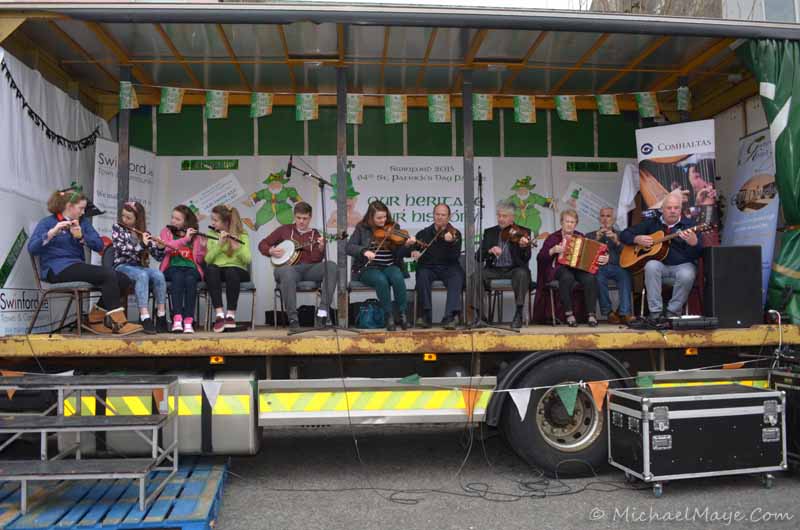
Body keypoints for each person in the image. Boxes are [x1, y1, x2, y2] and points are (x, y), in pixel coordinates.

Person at [28, 188, 142, 335]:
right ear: (69, 206)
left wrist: (82, 237)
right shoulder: (48, 223)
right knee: (107, 274)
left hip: (76, 266)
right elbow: (32, 249)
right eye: (81, 208)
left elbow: (100, 245)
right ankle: (119, 323)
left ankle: (95, 317)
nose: (83, 212)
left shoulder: (83, 223)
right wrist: (51, 233)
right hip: (56, 270)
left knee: (124, 279)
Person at [620, 192, 703, 320]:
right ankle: (655, 313)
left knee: (688, 273)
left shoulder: (690, 226)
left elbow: (698, 254)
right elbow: (624, 234)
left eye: (676, 208)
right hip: (660, 268)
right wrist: (636, 238)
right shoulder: (652, 223)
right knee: (651, 265)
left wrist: (694, 243)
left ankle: (673, 312)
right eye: (669, 208)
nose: (673, 211)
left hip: (682, 267)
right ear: (662, 210)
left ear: (681, 210)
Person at [259, 202, 336, 331]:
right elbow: (263, 244)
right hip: (287, 269)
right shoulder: (284, 230)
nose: (301, 221)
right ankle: (293, 319)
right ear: (294, 216)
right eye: (299, 218)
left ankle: (322, 313)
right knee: (287, 272)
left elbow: (316, 259)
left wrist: (321, 248)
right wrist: (271, 250)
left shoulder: (315, 234)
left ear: (310, 218)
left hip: (309, 269)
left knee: (332, 266)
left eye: (305, 218)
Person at [346, 200, 416, 331]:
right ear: (371, 217)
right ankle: (388, 315)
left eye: (384, 217)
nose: (383, 220)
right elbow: (349, 247)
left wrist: (407, 245)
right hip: (368, 268)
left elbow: (401, 253)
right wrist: (364, 251)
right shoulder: (362, 228)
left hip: (390, 265)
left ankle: (402, 315)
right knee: (381, 280)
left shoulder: (393, 227)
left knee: (397, 277)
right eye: (379, 218)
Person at [538, 209, 607, 327]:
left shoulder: (580, 236)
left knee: (590, 278)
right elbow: (540, 257)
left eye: (572, 222)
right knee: (567, 277)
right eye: (567, 221)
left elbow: (591, 256)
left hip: (578, 268)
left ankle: (591, 314)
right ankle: (569, 314)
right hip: (560, 268)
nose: (569, 224)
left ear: (576, 224)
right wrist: (553, 250)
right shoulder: (553, 237)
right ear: (561, 222)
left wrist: (604, 258)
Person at [111, 201, 169, 334]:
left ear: (138, 219)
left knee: (159, 275)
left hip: (139, 267)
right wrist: (142, 245)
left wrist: (160, 247)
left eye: (128, 218)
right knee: (142, 276)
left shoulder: (144, 232)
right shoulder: (117, 228)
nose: (124, 220)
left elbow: (158, 257)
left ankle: (161, 315)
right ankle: (144, 317)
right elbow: (123, 251)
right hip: (122, 266)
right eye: (123, 216)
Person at [474, 201, 532, 329]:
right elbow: (478, 256)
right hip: (494, 269)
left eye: (504, 216)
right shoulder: (490, 232)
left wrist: (524, 247)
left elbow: (526, 258)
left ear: (512, 217)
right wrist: (490, 251)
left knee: (522, 273)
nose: (500, 219)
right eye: (499, 215)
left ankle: (518, 313)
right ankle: (480, 315)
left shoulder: (523, 232)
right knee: (476, 275)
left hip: (514, 269)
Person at [411, 204, 464, 330]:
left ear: (449, 217)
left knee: (456, 277)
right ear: (433, 215)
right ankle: (425, 315)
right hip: (429, 267)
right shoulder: (424, 233)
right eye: (437, 214)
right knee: (422, 274)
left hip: (449, 267)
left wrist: (449, 243)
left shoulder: (455, 233)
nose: (440, 217)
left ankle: (450, 316)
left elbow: (455, 256)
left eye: (443, 215)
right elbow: (415, 250)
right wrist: (414, 252)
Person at [158, 205, 207, 333]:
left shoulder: (195, 236)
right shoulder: (166, 231)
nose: (173, 221)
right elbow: (167, 248)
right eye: (172, 217)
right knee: (178, 277)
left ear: (186, 222)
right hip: (172, 267)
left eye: (177, 219)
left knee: (191, 280)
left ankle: (188, 320)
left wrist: (204, 247)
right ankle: (177, 318)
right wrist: (185, 239)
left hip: (191, 267)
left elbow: (199, 260)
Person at [205, 205, 252, 333]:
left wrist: (237, 247)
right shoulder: (211, 234)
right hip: (218, 270)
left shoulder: (242, 235)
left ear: (226, 222)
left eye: (215, 220)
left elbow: (247, 259)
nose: (212, 223)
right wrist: (219, 245)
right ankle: (219, 314)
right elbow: (208, 259)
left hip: (238, 270)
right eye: (212, 220)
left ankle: (230, 315)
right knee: (211, 269)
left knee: (231, 271)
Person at [586, 207, 634, 325]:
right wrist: (596, 241)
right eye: (602, 216)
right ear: (599, 218)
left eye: (608, 216)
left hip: (617, 267)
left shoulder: (621, 234)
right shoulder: (590, 235)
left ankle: (624, 312)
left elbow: (628, 256)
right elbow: (586, 257)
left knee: (625, 274)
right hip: (600, 269)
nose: (605, 219)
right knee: (597, 277)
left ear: (614, 219)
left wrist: (617, 241)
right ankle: (609, 313)